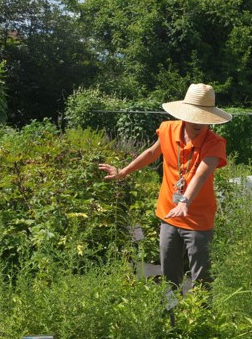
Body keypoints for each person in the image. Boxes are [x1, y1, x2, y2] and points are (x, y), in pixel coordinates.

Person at [98, 83, 229, 291]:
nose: (198, 123)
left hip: (198, 219)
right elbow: (151, 153)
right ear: (185, 113)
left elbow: (201, 174)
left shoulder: (215, 143)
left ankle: (202, 320)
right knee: (169, 274)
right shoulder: (168, 129)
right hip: (169, 213)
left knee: (201, 276)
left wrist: (185, 200)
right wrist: (123, 172)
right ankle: (171, 318)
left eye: (203, 118)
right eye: (194, 115)